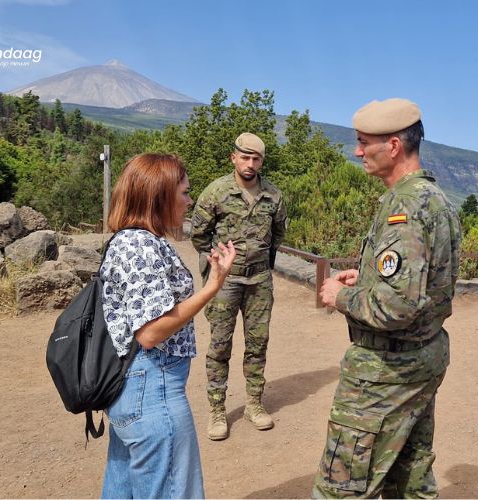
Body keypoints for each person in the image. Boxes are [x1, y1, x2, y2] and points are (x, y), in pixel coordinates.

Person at [312, 99, 462, 498]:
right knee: (408, 479)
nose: (358, 151)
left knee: (340, 489)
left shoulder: (405, 207)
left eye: (364, 143)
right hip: (422, 359)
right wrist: (365, 280)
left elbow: (398, 306)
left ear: (393, 146)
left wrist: (341, 296)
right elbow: (425, 283)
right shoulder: (435, 199)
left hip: (385, 373)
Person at [99, 153, 236, 499]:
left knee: (123, 491)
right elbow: (151, 332)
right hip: (153, 389)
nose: (190, 202)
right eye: (185, 193)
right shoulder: (141, 245)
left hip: (132, 389)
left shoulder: (127, 239)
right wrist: (212, 287)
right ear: (159, 196)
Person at [190, 132, 287, 441]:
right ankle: (217, 410)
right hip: (225, 281)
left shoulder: (273, 196)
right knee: (220, 345)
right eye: (244, 157)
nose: (250, 163)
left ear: (261, 161)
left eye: (255, 158)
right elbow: (198, 235)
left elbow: (278, 235)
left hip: (259, 281)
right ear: (233, 157)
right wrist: (217, 264)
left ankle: (254, 404)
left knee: (258, 344)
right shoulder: (216, 193)